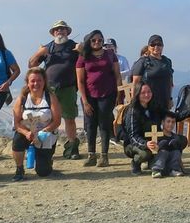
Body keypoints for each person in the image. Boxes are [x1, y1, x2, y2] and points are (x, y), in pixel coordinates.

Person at [27, 20, 81, 160]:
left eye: (63, 29)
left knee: (69, 118)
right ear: (53, 33)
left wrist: (82, 51)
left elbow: (85, 63)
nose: (60, 32)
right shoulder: (48, 48)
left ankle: (72, 148)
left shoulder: (74, 47)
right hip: (49, 89)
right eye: (57, 30)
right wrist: (39, 52)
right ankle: (44, 148)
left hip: (68, 88)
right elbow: (31, 64)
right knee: (46, 119)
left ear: (67, 32)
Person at [75, 30, 119, 167]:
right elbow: (80, 81)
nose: (97, 42)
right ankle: (91, 155)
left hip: (108, 94)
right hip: (89, 95)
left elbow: (117, 75)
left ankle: (104, 156)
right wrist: (85, 100)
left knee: (104, 124)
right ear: (89, 41)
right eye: (94, 40)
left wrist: (118, 93)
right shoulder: (83, 56)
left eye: (100, 40)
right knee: (90, 124)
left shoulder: (110, 55)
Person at [11, 68, 62, 181]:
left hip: (46, 134)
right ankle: (19, 169)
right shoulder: (23, 98)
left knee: (43, 172)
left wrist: (43, 132)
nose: (36, 84)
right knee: (17, 139)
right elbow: (17, 123)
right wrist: (26, 133)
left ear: (44, 81)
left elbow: (57, 121)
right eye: (33, 81)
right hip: (27, 133)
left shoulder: (50, 97)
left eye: (39, 80)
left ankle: (47, 161)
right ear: (28, 83)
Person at [123, 81, 167, 175]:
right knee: (145, 154)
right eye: (143, 93)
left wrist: (189, 112)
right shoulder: (132, 111)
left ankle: (152, 161)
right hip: (133, 144)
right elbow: (133, 136)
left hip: (152, 141)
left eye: (149, 92)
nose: (147, 95)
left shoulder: (155, 106)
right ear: (137, 94)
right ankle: (136, 163)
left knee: (170, 143)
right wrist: (146, 144)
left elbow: (170, 116)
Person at [131, 34, 175, 112]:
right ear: (148, 47)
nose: (156, 47)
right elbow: (135, 83)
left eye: (159, 44)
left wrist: (170, 99)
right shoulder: (143, 61)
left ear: (163, 46)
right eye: (153, 44)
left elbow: (170, 82)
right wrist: (134, 103)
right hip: (147, 102)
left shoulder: (167, 61)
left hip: (164, 102)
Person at [150, 111, 188, 178]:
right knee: (163, 143)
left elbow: (179, 154)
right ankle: (156, 171)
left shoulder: (176, 137)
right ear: (162, 122)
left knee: (175, 143)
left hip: (171, 166)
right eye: (168, 121)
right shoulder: (156, 135)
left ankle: (174, 170)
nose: (170, 124)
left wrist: (182, 168)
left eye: (173, 122)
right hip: (158, 164)